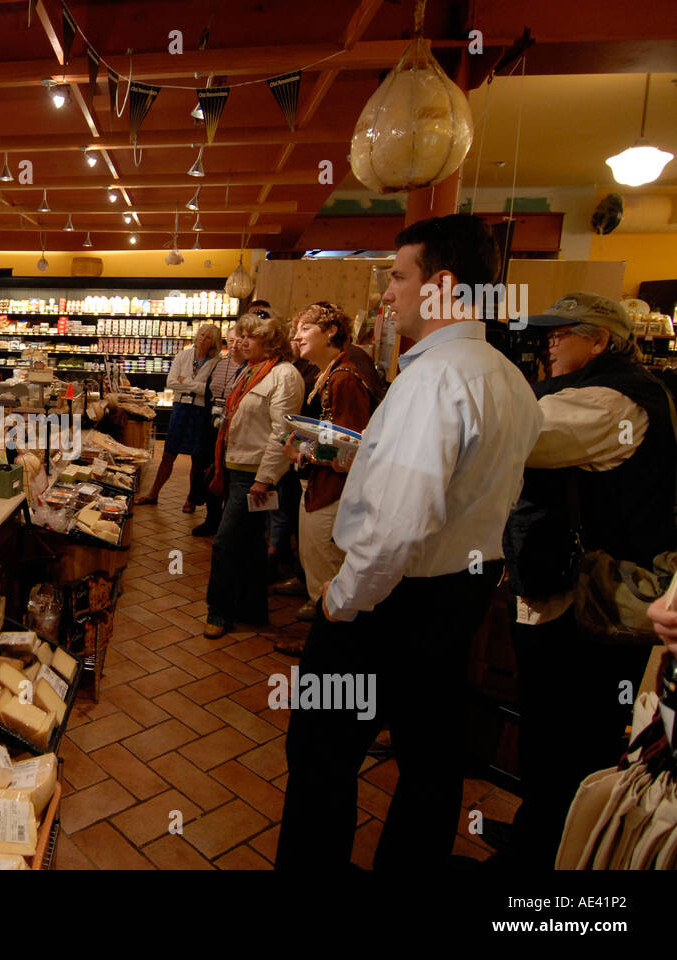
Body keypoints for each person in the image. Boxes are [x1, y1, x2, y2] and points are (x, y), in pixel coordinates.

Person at [276, 214, 543, 870]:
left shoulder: (433, 380)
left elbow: (401, 524)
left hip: (390, 601)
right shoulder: (506, 378)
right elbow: (471, 486)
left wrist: (344, 598)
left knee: (319, 753)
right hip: (461, 593)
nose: (387, 294)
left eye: (398, 276)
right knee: (430, 757)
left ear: (442, 284)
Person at [502, 293, 677, 868]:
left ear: (600, 340)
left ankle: (549, 857)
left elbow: (516, 437)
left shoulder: (609, 400)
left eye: (562, 333)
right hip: (574, 589)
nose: (547, 342)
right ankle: (539, 835)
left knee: (567, 734)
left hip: (590, 597)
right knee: (555, 729)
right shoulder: (598, 390)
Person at [277, 302, 376, 649]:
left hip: (333, 492)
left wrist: (302, 451)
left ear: (330, 331)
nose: (296, 336)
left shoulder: (343, 378)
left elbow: (352, 450)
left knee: (328, 572)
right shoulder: (332, 373)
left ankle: (326, 647)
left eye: (305, 328)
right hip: (325, 487)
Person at [202, 314, 303, 638]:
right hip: (238, 467)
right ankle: (252, 607)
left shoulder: (283, 375)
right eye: (241, 335)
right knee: (249, 544)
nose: (242, 342)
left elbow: (282, 432)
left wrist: (265, 478)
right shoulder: (251, 370)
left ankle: (218, 611)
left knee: (225, 543)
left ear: (271, 342)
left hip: (254, 475)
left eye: (250, 337)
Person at [134, 323, 222, 508]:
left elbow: (209, 390)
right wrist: (197, 385)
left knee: (197, 458)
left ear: (213, 343)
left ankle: (191, 498)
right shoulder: (183, 355)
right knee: (168, 454)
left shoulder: (217, 362)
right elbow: (171, 382)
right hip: (181, 409)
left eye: (208, 337)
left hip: (200, 411)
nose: (202, 339)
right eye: (201, 334)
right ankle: (153, 494)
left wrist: (187, 382)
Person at [190, 323, 245, 537]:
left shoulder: (249, 369)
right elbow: (207, 392)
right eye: (230, 341)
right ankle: (211, 518)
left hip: (232, 429)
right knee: (208, 470)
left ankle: (226, 521)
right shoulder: (219, 364)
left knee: (227, 473)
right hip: (212, 425)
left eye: (238, 341)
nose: (234, 346)